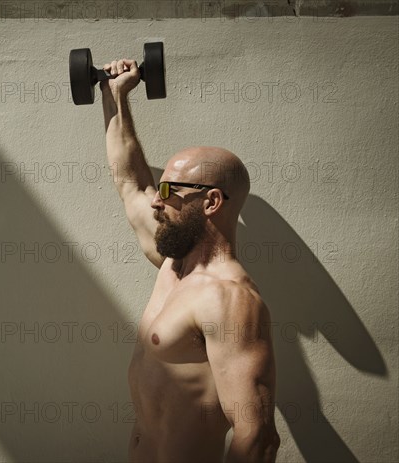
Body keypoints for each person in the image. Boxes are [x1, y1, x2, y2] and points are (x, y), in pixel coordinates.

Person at [99, 58, 280, 462]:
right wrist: (114, 95)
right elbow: (130, 181)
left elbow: (258, 436)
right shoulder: (173, 263)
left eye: (169, 190)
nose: (157, 200)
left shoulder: (228, 300)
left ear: (212, 201)